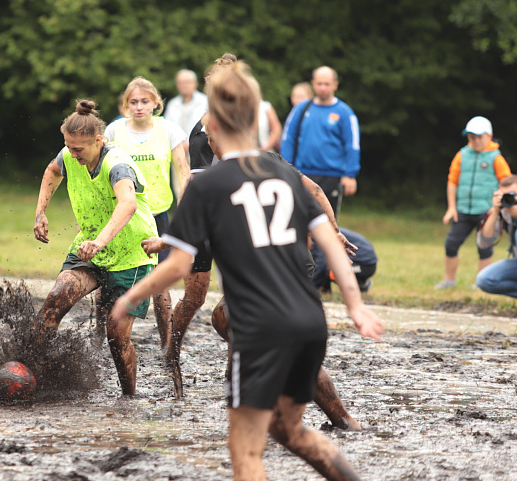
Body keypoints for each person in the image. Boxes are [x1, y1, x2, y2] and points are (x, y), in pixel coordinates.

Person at [112, 60, 382, 481]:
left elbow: (178, 266)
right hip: (310, 322)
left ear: (212, 128)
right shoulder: (281, 171)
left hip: (259, 325)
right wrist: (356, 305)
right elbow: (330, 240)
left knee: (246, 454)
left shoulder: (207, 184)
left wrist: (129, 298)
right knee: (290, 430)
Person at [32, 99, 158, 396]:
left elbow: (127, 205)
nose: (72, 154)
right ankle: (33, 373)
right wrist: (40, 212)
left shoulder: (117, 164)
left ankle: (129, 397)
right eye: (68, 146)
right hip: (89, 247)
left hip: (131, 254)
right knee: (55, 300)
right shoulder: (68, 154)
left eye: (79, 149)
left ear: (99, 140)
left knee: (116, 336)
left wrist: (100, 241)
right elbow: (52, 170)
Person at [105, 77, 190, 351]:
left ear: (156, 104)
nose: (139, 107)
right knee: (111, 276)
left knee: (161, 281)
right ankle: (104, 334)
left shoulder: (169, 130)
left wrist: (186, 209)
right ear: (126, 105)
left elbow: (182, 173)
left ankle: (168, 341)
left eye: (144, 102)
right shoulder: (115, 131)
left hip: (159, 214)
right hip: (125, 216)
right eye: (133, 102)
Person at [436, 116, 511, 290]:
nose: (475, 141)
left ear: (489, 136)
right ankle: (449, 280)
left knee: (484, 246)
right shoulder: (462, 155)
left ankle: (481, 282)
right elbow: (452, 181)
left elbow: (506, 183)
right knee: (451, 243)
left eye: (479, 137)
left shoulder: (496, 158)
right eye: (471, 137)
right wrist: (452, 207)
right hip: (463, 210)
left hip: (486, 211)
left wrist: (496, 208)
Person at [280, 66, 360, 216]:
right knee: (301, 220)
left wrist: (350, 174)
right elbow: (288, 139)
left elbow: (352, 145)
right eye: (319, 84)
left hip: (332, 176)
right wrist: (287, 168)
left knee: (329, 222)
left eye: (327, 84)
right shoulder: (301, 109)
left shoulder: (344, 112)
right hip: (302, 174)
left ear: (335, 85)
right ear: (313, 84)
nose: (323, 88)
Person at [311, 227, 377, 294]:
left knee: (331, 270)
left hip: (365, 265)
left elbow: (321, 265)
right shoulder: (320, 228)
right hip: (361, 261)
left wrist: (310, 288)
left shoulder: (318, 236)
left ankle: (362, 285)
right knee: (328, 266)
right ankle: (325, 291)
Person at [164, 69, 208, 137]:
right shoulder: (172, 104)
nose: (183, 85)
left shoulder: (205, 101)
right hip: (176, 145)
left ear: (195, 83)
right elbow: (167, 127)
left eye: (187, 82)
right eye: (180, 82)